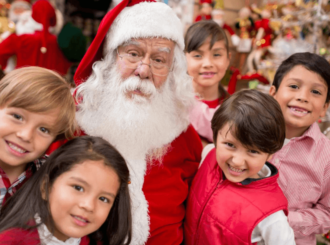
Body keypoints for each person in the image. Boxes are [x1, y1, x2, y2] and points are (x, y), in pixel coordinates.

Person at [68, 0, 202, 244]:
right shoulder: (73, 127)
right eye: (133, 54)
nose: (143, 70)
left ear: (172, 70)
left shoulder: (184, 138)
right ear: (109, 59)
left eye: (159, 60)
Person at [184, 89, 295, 245]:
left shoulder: (271, 216)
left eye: (253, 151)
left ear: (270, 154)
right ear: (216, 137)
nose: (237, 161)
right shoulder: (208, 155)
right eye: (230, 145)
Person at [269, 52, 330, 245]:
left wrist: (283, 221)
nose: (302, 97)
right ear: (273, 93)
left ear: (324, 107)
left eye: (315, 92)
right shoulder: (246, 134)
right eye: (294, 86)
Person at [0, 136, 132, 245]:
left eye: (103, 199)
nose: (88, 206)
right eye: (78, 188)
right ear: (46, 187)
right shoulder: (10, 240)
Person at [0, 66, 76, 210]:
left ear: (54, 138)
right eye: (17, 117)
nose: (25, 135)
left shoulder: (53, 178)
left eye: (44, 130)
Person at [0, 0, 71, 76]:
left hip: (23, 82)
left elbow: (1, 52)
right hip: (49, 85)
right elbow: (64, 68)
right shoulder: (58, 41)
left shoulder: (20, 39)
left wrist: (9, 70)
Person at [185, 20, 230, 109]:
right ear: (183, 59)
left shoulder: (234, 111)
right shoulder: (173, 105)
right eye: (197, 55)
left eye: (216, 55)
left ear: (228, 59)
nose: (208, 64)